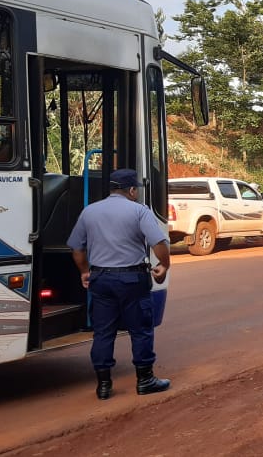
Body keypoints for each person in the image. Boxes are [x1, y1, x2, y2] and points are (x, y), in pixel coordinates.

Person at [66, 168, 171, 400]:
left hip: (101, 279)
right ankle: (145, 380)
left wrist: (84, 271)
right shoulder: (139, 211)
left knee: (103, 332)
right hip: (132, 279)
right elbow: (159, 242)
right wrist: (164, 265)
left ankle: (103, 385)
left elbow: (77, 248)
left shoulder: (89, 211)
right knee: (141, 329)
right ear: (132, 190)